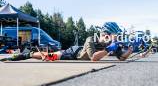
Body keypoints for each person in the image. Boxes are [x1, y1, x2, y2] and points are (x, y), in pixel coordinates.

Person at [1, 22, 134, 62]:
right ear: (105, 34)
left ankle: (31, 53)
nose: (116, 38)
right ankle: (28, 54)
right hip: (73, 52)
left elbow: (121, 58)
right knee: (49, 57)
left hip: (81, 52)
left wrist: (130, 50)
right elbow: (94, 58)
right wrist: (109, 48)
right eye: (114, 35)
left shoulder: (111, 44)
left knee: (49, 55)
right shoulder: (90, 40)